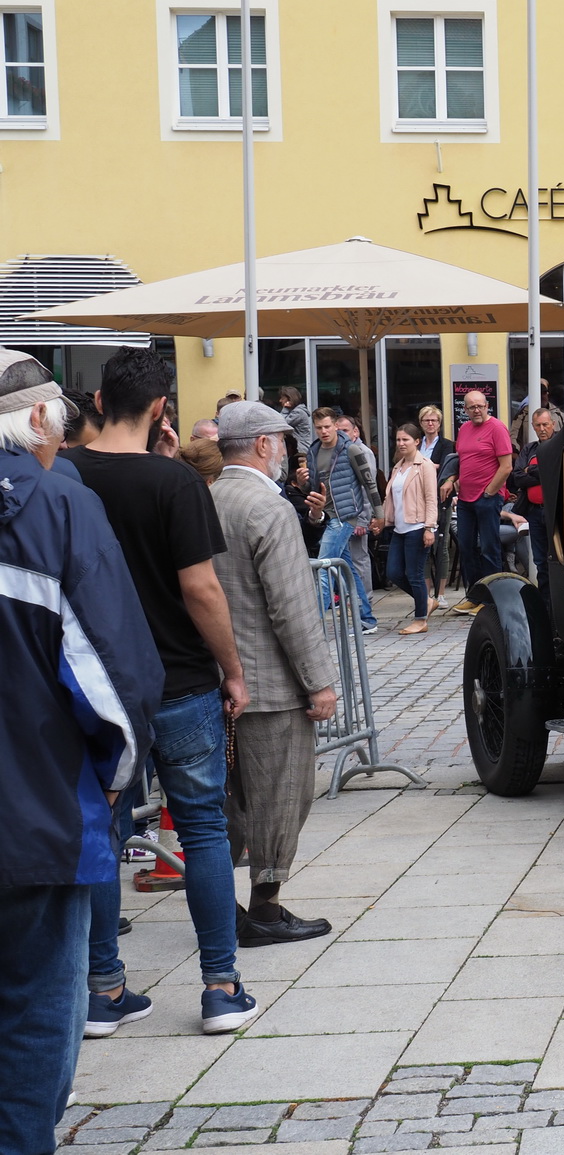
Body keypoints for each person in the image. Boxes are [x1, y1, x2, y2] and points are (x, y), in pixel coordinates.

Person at [64, 348, 260, 1038]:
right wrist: (232, 669)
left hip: (93, 684)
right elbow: (201, 587)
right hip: (177, 679)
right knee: (202, 824)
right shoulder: (173, 484)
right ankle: (220, 985)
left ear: (94, 403)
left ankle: (104, 986)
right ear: (160, 410)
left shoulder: (63, 476)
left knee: (101, 829)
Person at [0, 354, 161, 1155]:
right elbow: (115, 675)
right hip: (36, 811)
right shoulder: (57, 505)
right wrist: (113, 786)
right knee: (37, 1007)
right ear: (37, 422)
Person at [209, 402, 340, 948]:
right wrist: (320, 681)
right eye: (282, 441)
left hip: (217, 677)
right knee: (283, 797)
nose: (287, 451)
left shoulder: (206, 497)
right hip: (270, 683)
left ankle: (224, 906)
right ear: (262, 444)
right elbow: (292, 606)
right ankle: (264, 908)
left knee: (227, 802)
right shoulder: (267, 508)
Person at [305, 408, 381, 634]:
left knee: (324, 566)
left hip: (345, 516)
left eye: (327, 426)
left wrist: (379, 514)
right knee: (348, 569)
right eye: (319, 428)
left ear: (336, 425)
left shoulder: (351, 449)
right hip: (325, 515)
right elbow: (313, 488)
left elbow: (369, 483)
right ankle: (366, 619)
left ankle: (313, 626)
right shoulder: (314, 450)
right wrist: (302, 482)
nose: (323, 431)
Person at [449, 390, 513, 613]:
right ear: (464, 410)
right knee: (466, 547)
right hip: (465, 499)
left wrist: (490, 491)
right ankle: (474, 596)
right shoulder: (464, 429)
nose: (476, 410)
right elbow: (462, 460)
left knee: (488, 548)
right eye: (471, 407)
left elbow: (506, 466)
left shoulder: (497, 428)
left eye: (480, 406)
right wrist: (455, 480)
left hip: (487, 497)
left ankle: (492, 600)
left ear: (487, 406)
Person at [374, 424, 440, 633]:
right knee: (394, 572)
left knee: (414, 574)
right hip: (399, 528)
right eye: (398, 440)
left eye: (406, 440)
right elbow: (391, 499)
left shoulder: (425, 466)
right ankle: (426, 601)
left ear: (417, 441)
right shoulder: (398, 466)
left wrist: (429, 527)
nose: (401, 444)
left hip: (418, 526)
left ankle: (421, 619)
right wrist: (383, 520)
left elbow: (431, 499)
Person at [508, 407, 562, 583]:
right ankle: (545, 603)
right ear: (533, 426)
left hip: (556, 512)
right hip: (534, 512)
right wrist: (543, 474)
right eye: (538, 425)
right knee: (540, 561)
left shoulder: (561, 446)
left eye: (545, 424)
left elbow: (558, 473)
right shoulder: (528, 449)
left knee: (559, 558)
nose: (542, 429)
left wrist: (530, 469)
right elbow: (518, 478)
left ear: (553, 424)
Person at [416, 406, 457, 609]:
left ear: (439, 424)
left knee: (442, 544)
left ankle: (441, 593)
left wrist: (425, 465)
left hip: (442, 497)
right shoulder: (416, 443)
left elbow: (448, 465)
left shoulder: (447, 444)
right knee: (423, 544)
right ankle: (426, 593)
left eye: (434, 420)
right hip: (419, 498)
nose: (430, 424)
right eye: (426, 420)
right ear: (421, 423)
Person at [277, 385, 313, 454]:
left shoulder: (298, 412)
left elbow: (281, 423)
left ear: (289, 399)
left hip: (301, 450)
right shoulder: (294, 411)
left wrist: (285, 409)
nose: (280, 400)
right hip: (296, 448)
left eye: (282, 398)